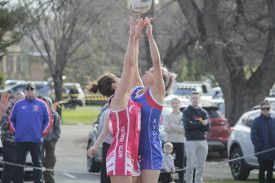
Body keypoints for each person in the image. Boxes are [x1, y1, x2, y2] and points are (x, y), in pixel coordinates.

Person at [87, 16, 144, 183]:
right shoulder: (118, 99)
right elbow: (129, 66)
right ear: (114, 85)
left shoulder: (126, 97)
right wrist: (131, 37)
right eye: (118, 78)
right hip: (121, 153)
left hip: (132, 153)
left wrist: (137, 39)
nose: (122, 78)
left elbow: (134, 66)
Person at [130, 17, 176, 183]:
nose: (147, 72)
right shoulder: (136, 91)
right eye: (148, 70)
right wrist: (134, 38)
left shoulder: (157, 94)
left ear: (158, 79)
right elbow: (132, 64)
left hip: (150, 151)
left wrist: (149, 35)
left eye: (151, 72)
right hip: (133, 149)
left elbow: (156, 63)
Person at [9, 82, 52, 183]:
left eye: (31, 89)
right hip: (20, 139)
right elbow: (11, 119)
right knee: (19, 164)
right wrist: (16, 132)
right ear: (25, 91)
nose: (29, 91)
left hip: (35, 139)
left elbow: (49, 119)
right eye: (27, 89)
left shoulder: (42, 104)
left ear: (35, 90)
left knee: (37, 163)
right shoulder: (18, 104)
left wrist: (42, 132)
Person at [183, 91, 210, 183]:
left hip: (202, 141)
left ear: (199, 99)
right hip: (191, 141)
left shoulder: (203, 112)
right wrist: (201, 123)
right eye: (193, 98)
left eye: (196, 98)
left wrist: (193, 123)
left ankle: (199, 181)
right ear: (190, 99)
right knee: (190, 165)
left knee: (201, 165)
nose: (195, 100)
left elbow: (207, 127)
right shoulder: (187, 111)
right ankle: (189, 181)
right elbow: (187, 126)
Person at [0, 91, 25, 183]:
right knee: (8, 167)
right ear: (14, 99)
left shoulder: (25, 109)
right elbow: (3, 124)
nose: (21, 102)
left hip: (22, 143)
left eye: (23, 100)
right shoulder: (7, 108)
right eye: (18, 99)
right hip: (9, 141)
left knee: (19, 169)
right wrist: (16, 125)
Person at [251, 100, 275, 183]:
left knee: (270, 172)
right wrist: (261, 148)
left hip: (272, 152)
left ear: (270, 109)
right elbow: (254, 137)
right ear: (261, 109)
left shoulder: (274, 121)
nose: (265, 110)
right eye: (263, 108)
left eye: (267, 108)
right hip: (261, 152)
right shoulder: (256, 121)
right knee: (261, 171)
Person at [163, 97, 185, 183]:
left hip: (180, 141)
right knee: (167, 162)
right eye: (173, 103)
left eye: (176, 103)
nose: (175, 105)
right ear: (171, 105)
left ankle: (181, 180)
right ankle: (167, 180)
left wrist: (173, 126)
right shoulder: (167, 115)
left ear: (179, 104)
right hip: (169, 141)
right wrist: (178, 127)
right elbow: (166, 129)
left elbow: (184, 130)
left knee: (180, 163)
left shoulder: (183, 116)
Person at [41, 97, 61, 183]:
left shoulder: (54, 115)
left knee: (50, 162)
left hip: (50, 141)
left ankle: (49, 180)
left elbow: (58, 130)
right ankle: (39, 179)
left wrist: (54, 139)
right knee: (39, 161)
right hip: (40, 141)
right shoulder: (38, 114)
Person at [98, 103, 112, 183]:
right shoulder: (106, 112)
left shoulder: (106, 110)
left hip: (109, 144)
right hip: (110, 144)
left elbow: (101, 130)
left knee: (107, 169)